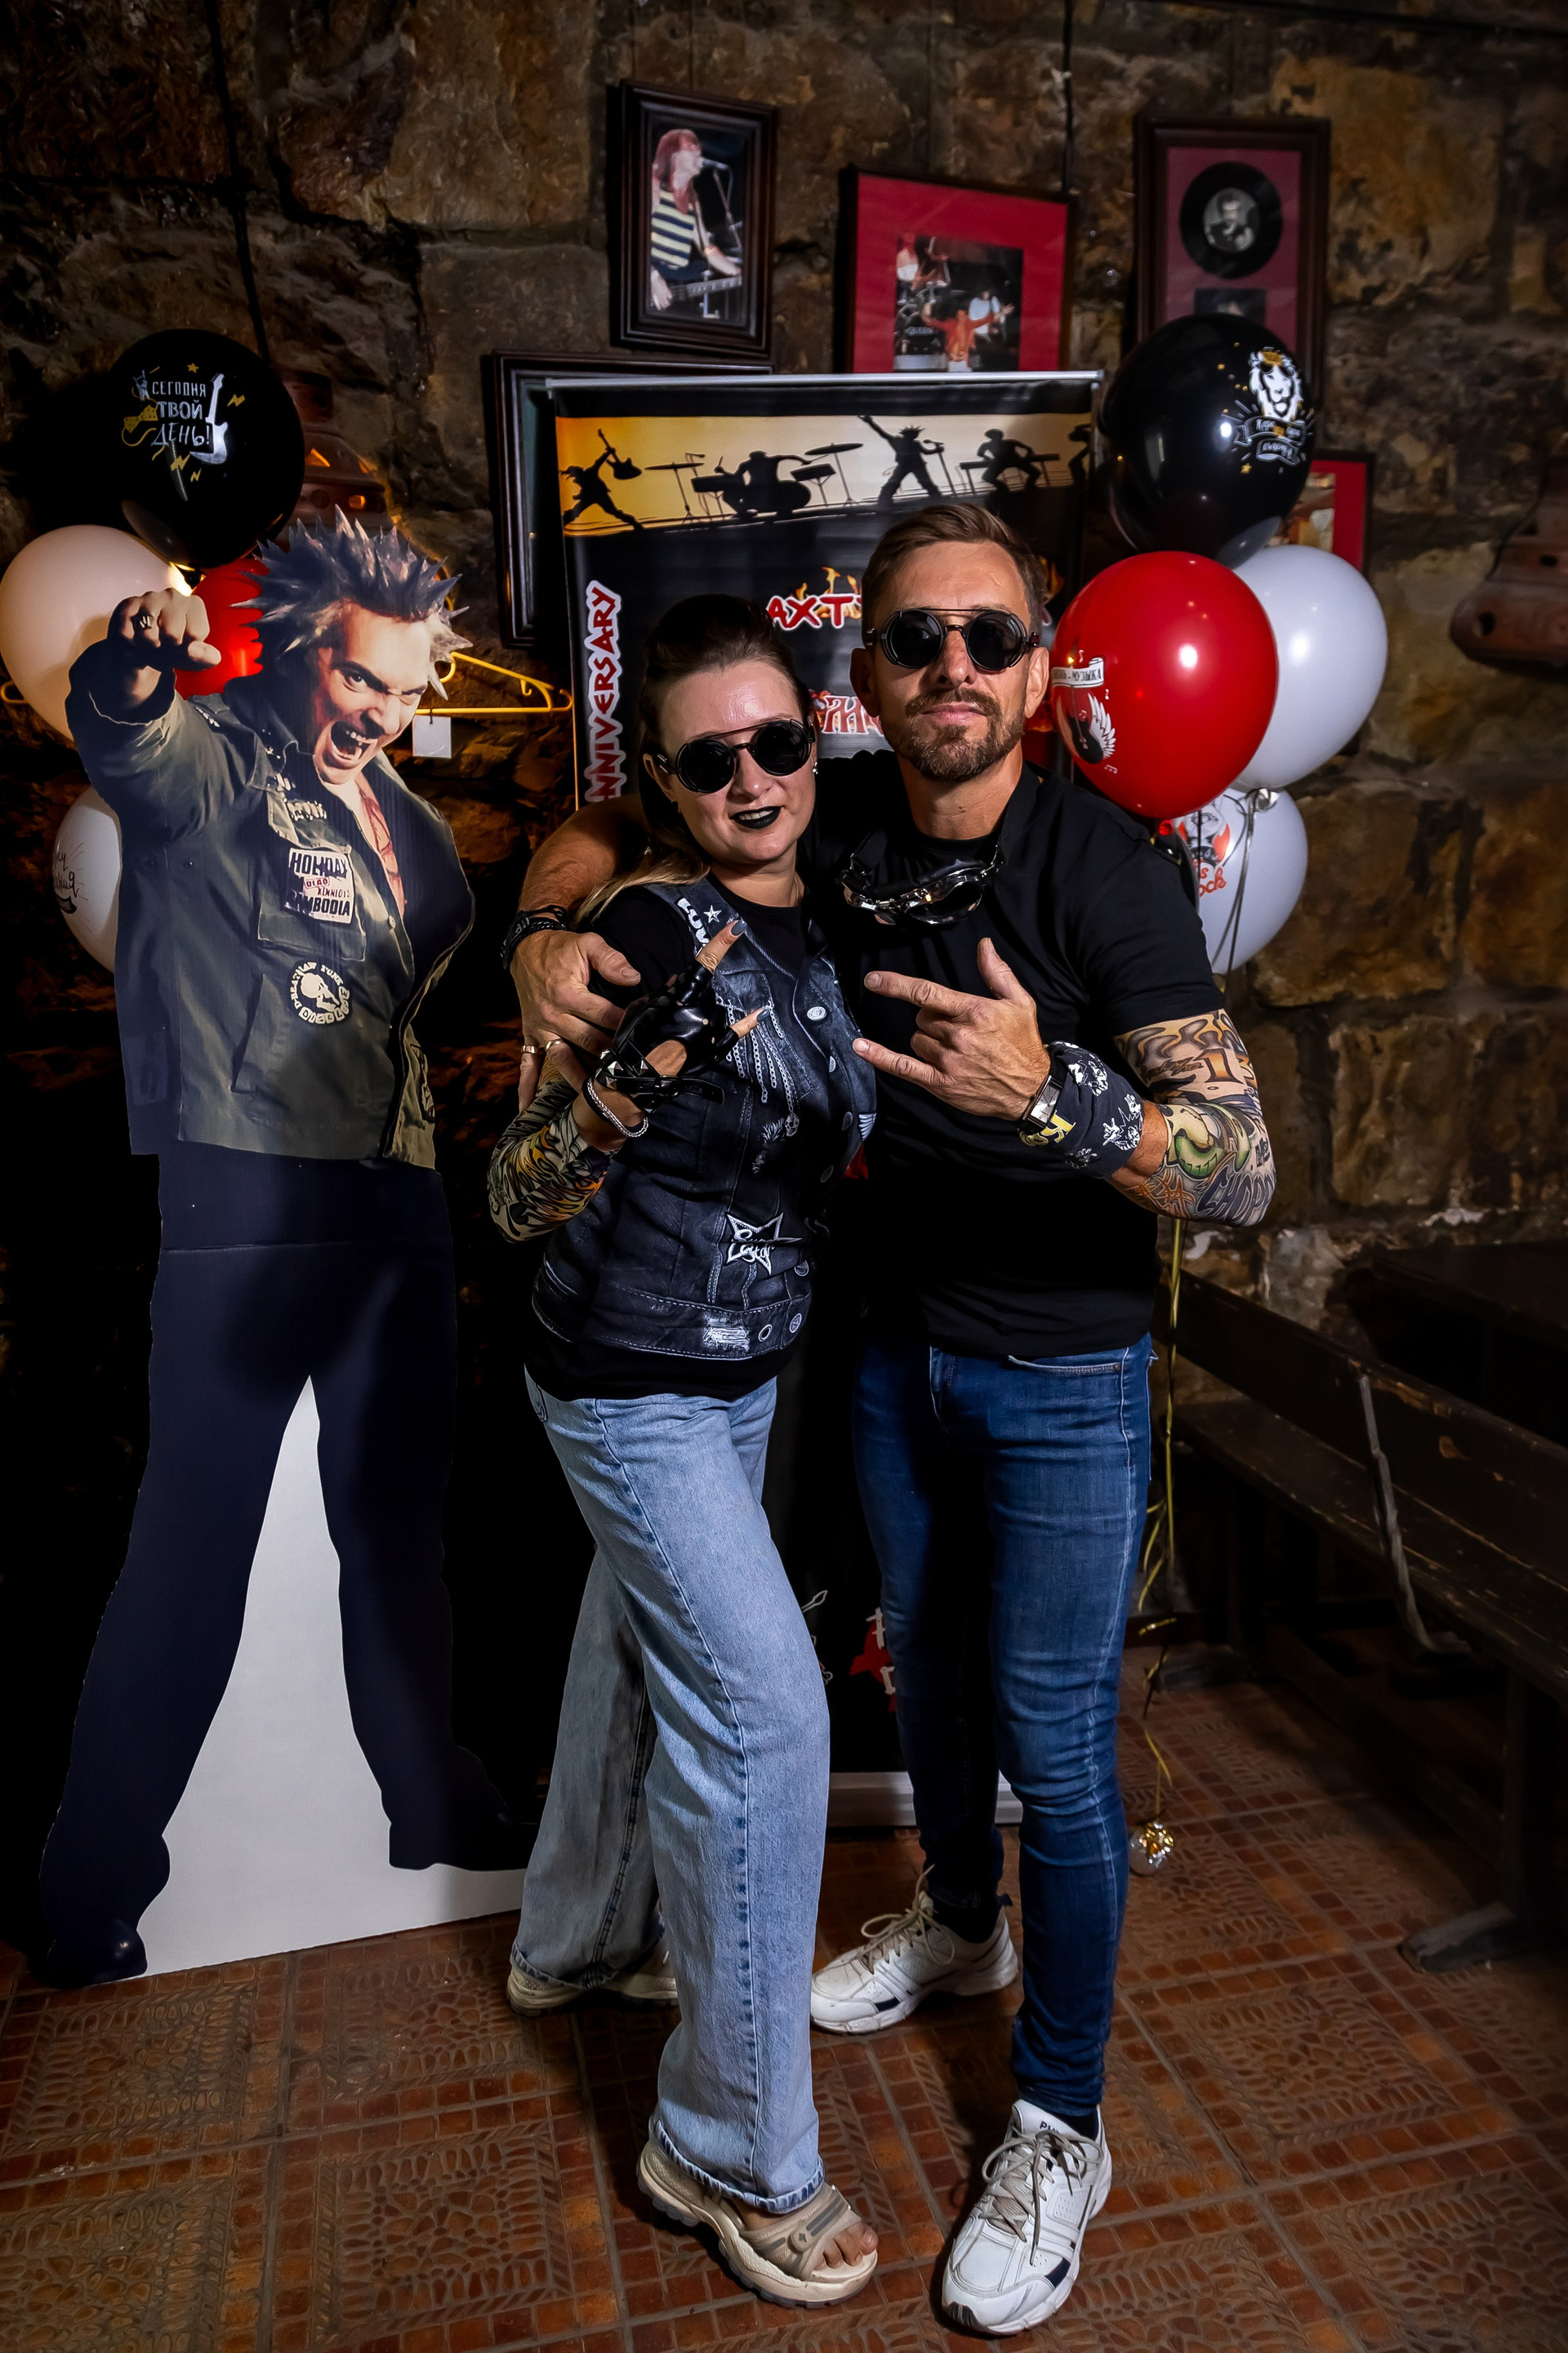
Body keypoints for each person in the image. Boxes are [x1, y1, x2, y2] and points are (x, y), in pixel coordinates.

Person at [506, 501, 1276, 2333]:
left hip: (1063, 1375)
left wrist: (1056, 1097)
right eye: (917, 640)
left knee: (1056, 1753)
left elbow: (1244, 1170)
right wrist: (538, 933)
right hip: (879, 1351)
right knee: (920, 1672)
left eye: (990, 639)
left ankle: (1060, 2123)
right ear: (868, 673)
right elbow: (621, 811)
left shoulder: (1105, 870)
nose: (953, 670)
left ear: (1041, 668)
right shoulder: (824, 808)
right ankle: (956, 1918)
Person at [39, 513, 515, 1987]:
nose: (381, 714)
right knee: (193, 1548)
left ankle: (428, 1799)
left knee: (398, 1532)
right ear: (305, 650)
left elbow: (413, 972)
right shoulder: (217, 757)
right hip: (245, 1192)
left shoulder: (405, 818)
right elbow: (127, 740)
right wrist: (133, 664)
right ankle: (91, 1881)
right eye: (362, 679)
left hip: (393, 1192)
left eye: (407, 692)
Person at [489, 595, 879, 2307]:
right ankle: (726, 2149)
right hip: (624, 1375)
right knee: (767, 1713)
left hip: (742, 1370)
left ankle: (576, 1944)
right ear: (663, 779)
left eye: (777, 743)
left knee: (639, 1640)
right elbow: (521, 1193)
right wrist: (608, 1053)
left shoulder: (828, 891)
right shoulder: (651, 926)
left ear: (816, 740)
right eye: (710, 761)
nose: (753, 781)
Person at [648, 127, 742, 312]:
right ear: (673, 155)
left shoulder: (692, 201)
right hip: (653, 282)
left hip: (677, 284)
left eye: (697, 147)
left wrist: (738, 272)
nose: (698, 151)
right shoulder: (654, 189)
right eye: (690, 147)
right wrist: (652, 276)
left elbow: (708, 249)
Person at [861, 414, 944, 504]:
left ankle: (936, 496)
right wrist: (870, 422)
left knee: (925, 482)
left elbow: (926, 452)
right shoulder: (897, 441)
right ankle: (884, 499)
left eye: (914, 436)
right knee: (894, 483)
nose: (913, 437)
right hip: (904, 465)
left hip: (917, 465)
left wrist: (936, 450)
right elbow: (881, 432)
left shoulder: (915, 444)